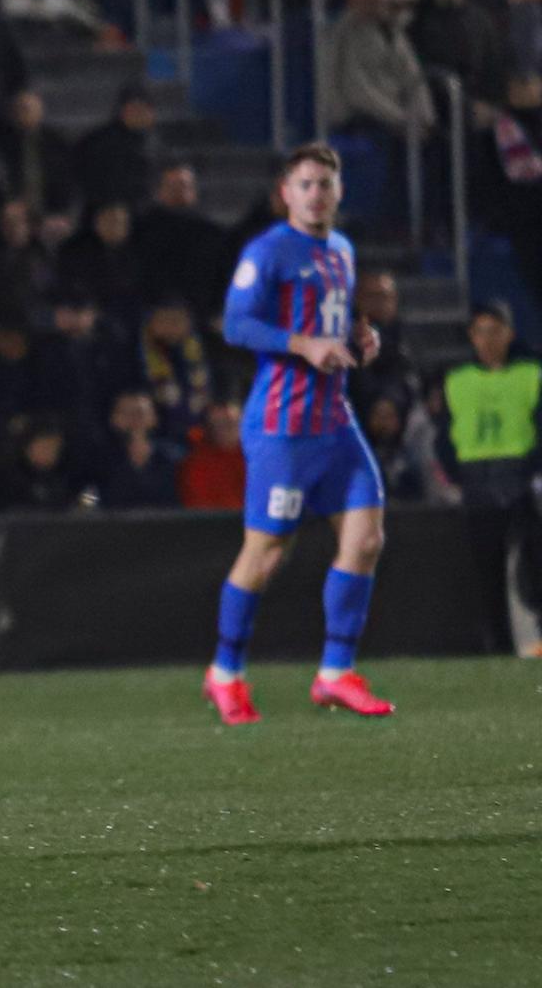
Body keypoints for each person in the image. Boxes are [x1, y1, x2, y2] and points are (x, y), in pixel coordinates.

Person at [205, 144, 392, 726]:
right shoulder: (268, 251)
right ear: (285, 192)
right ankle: (225, 673)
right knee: (265, 553)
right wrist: (303, 344)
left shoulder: (341, 249)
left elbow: (328, 317)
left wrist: (360, 333)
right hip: (282, 426)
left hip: (335, 422)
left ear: (339, 192)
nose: (316, 194)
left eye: (326, 184)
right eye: (305, 184)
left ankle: (335, 673)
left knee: (364, 540)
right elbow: (235, 323)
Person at [442, 301, 542, 655]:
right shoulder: (456, 379)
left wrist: (530, 467)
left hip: (520, 477)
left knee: (533, 561)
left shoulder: (531, 374)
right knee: (488, 571)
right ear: (471, 336)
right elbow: (444, 432)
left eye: (494, 331)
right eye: (480, 332)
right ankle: (498, 647)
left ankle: (534, 638)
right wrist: (455, 472)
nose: (487, 340)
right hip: (477, 479)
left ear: (509, 334)